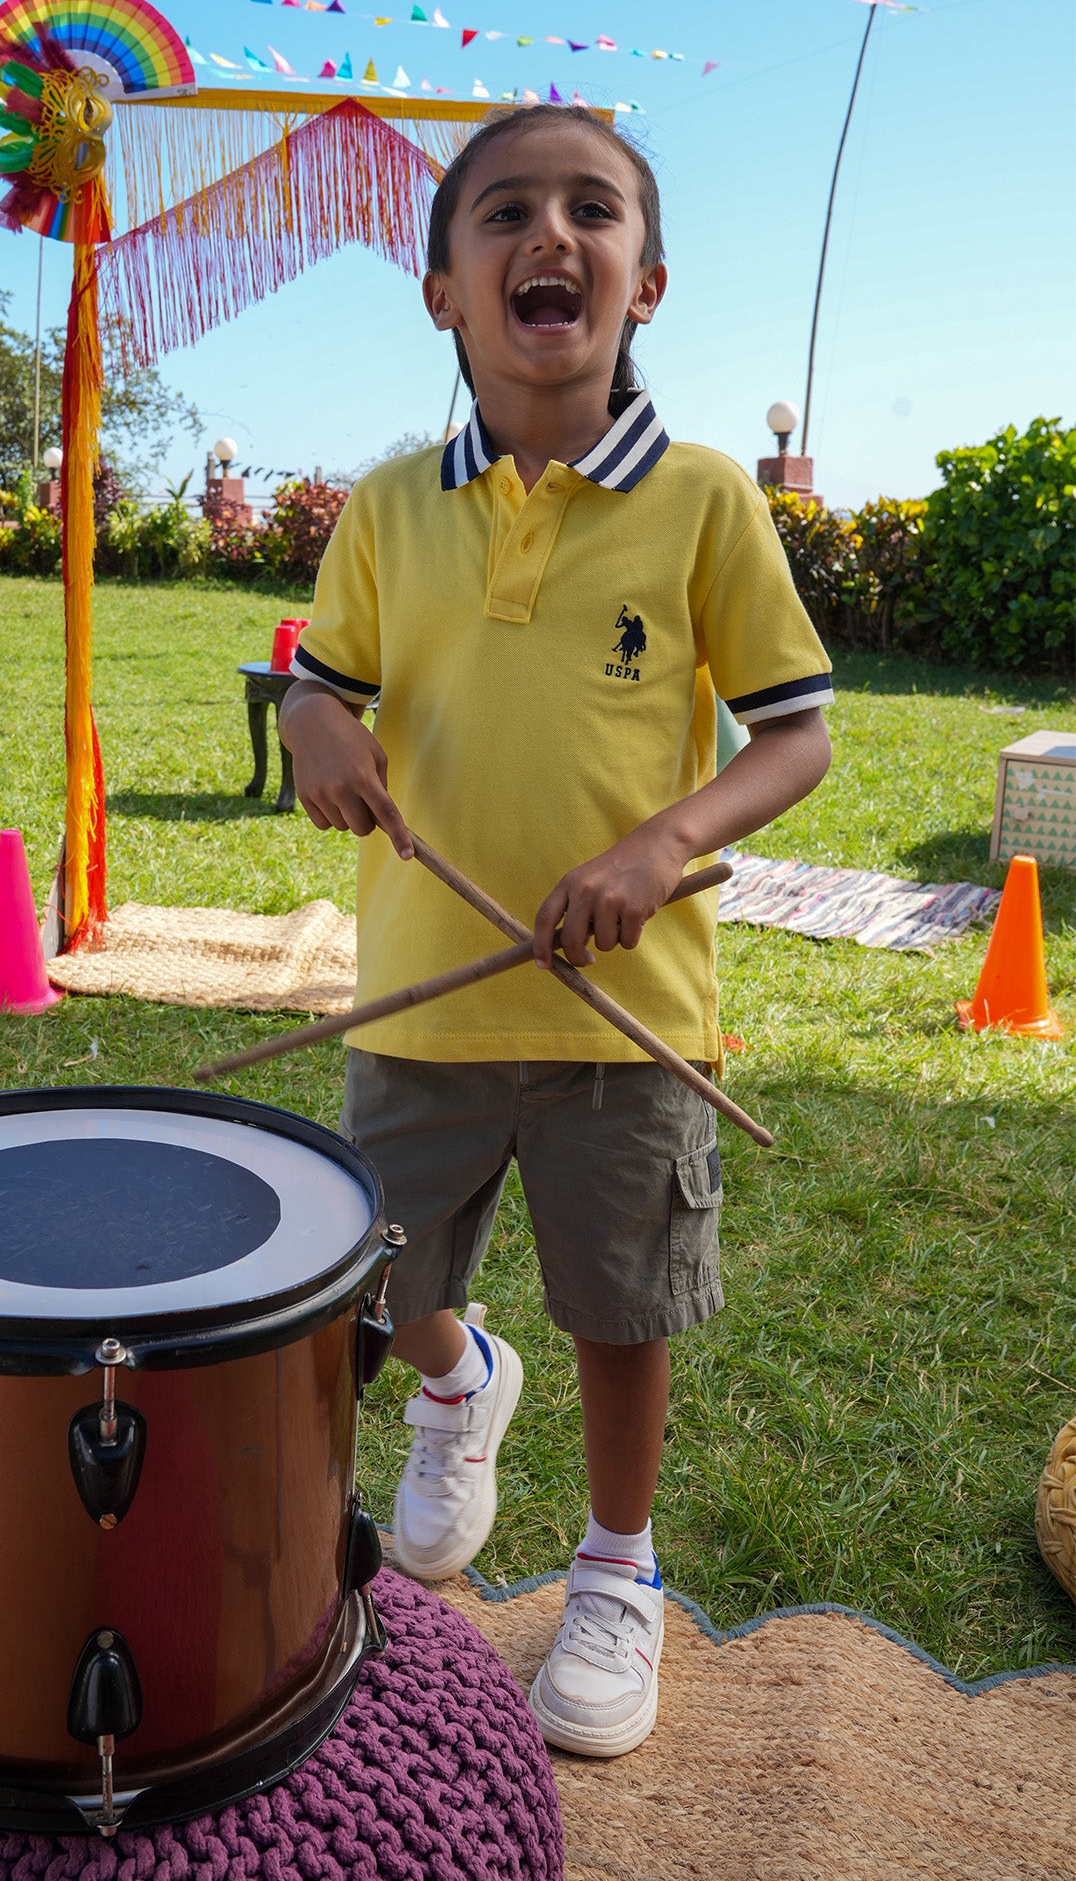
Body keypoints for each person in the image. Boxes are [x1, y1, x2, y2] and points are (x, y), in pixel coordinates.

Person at [278, 104, 833, 1760]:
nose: (551, 235)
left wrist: (664, 846)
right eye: (504, 213)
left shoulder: (709, 503)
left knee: (621, 1308)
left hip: (626, 1017)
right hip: (418, 1007)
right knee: (379, 1288)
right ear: (443, 291)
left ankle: (616, 1568)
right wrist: (315, 715)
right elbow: (329, 678)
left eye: (592, 211)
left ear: (644, 283)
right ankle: (456, 1386)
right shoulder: (389, 506)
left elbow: (797, 731)